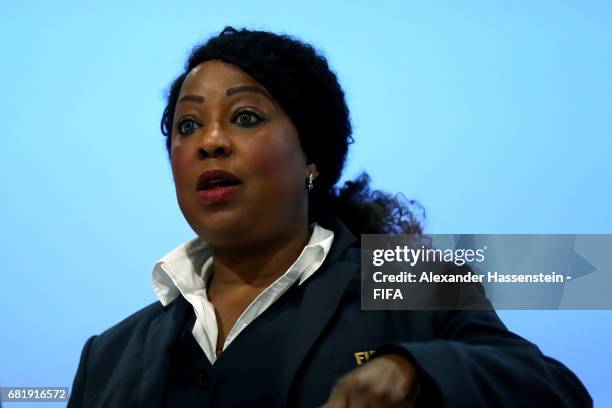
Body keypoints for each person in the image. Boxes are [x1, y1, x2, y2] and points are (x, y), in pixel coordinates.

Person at [67, 26, 592, 407]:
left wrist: (418, 372)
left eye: (245, 117)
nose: (209, 142)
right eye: (187, 126)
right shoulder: (107, 358)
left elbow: (555, 390)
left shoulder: (406, 278)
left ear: (311, 157)